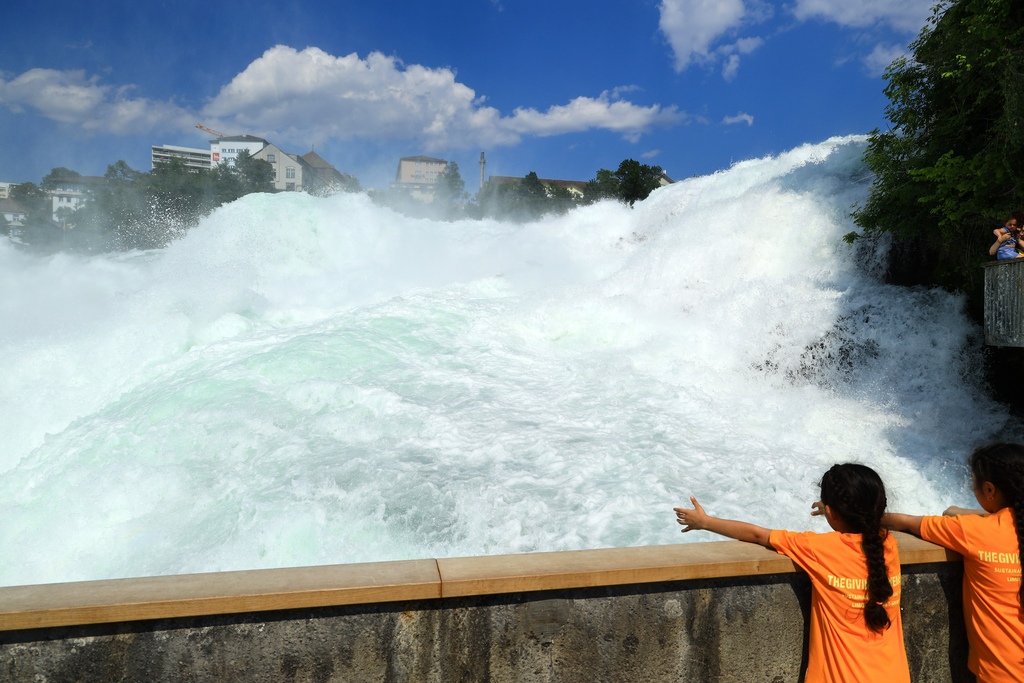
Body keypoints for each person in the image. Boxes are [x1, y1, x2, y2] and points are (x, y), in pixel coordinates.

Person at [674, 463, 909, 683]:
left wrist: (705, 522)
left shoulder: (819, 549)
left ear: (832, 512)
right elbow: (869, 517)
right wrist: (834, 512)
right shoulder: (889, 546)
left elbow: (758, 535)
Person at [883, 442, 1024, 683]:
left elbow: (905, 522)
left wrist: (845, 512)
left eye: (974, 483)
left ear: (989, 490)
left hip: (1002, 674)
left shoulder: (974, 532)